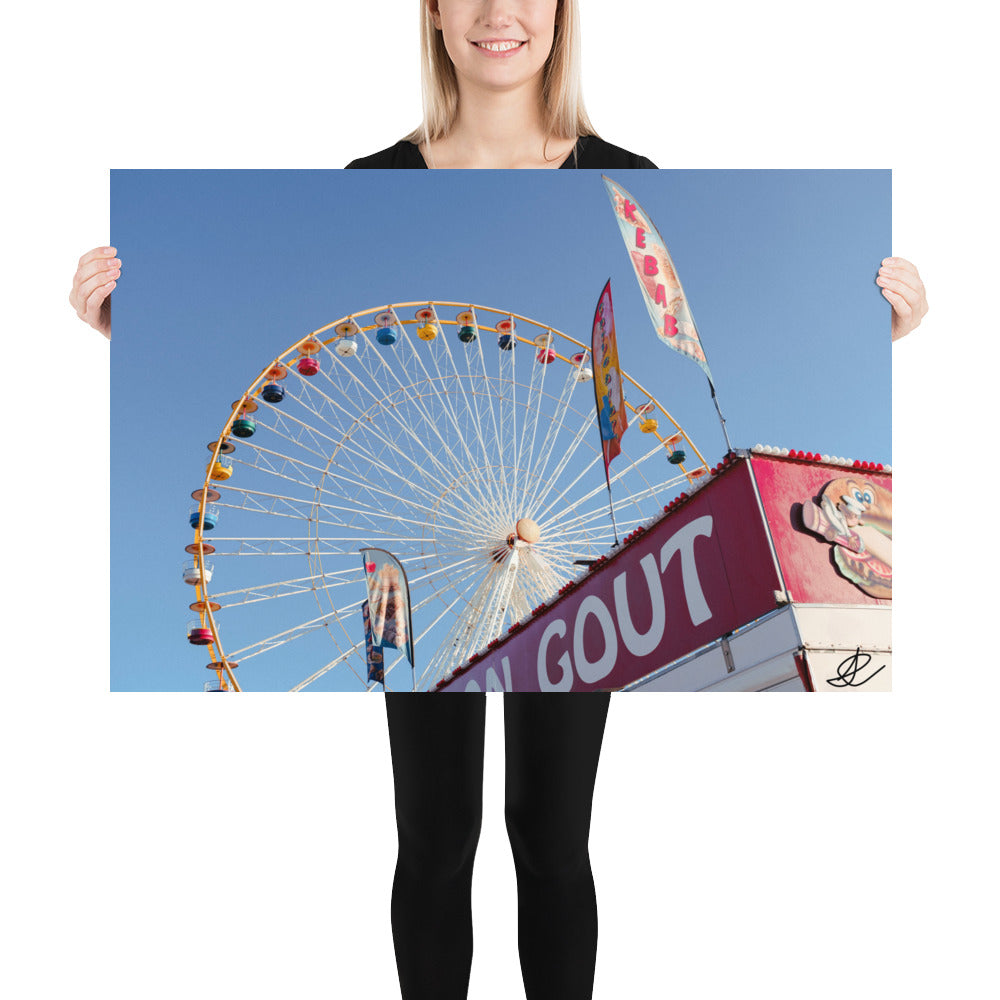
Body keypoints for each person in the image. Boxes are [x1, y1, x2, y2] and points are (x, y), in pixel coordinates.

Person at [71, 3, 925, 998]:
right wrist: (129, 322)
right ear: (431, 15)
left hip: (567, 586)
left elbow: (737, 330)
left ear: (563, 16)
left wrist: (883, 329)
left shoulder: (629, 178)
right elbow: (231, 325)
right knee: (434, 840)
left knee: (552, 837)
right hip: (422, 586)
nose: (496, 13)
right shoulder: (371, 187)